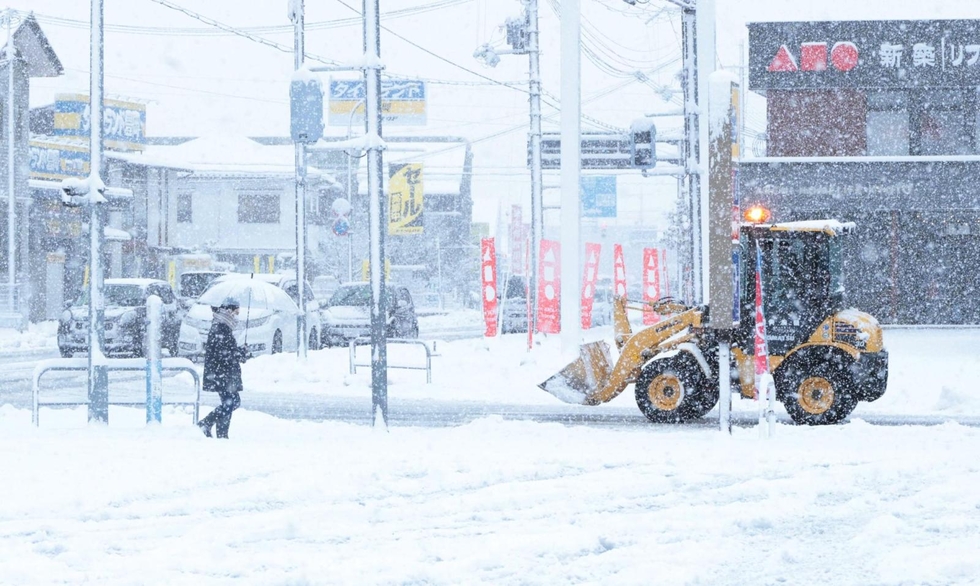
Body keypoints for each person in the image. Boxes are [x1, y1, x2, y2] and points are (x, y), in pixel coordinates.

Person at [197, 297, 249, 439]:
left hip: (222, 373)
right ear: (228, 310)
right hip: (222, 373)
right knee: (233, 402)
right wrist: (239, 353)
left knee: (228, 403)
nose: (236, 316)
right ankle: (206, 423)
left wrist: (239, 352)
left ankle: (222, 435)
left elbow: (226, 350)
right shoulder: (221, 327)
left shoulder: (222, 326)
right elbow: (224, 354)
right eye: (235, 312)